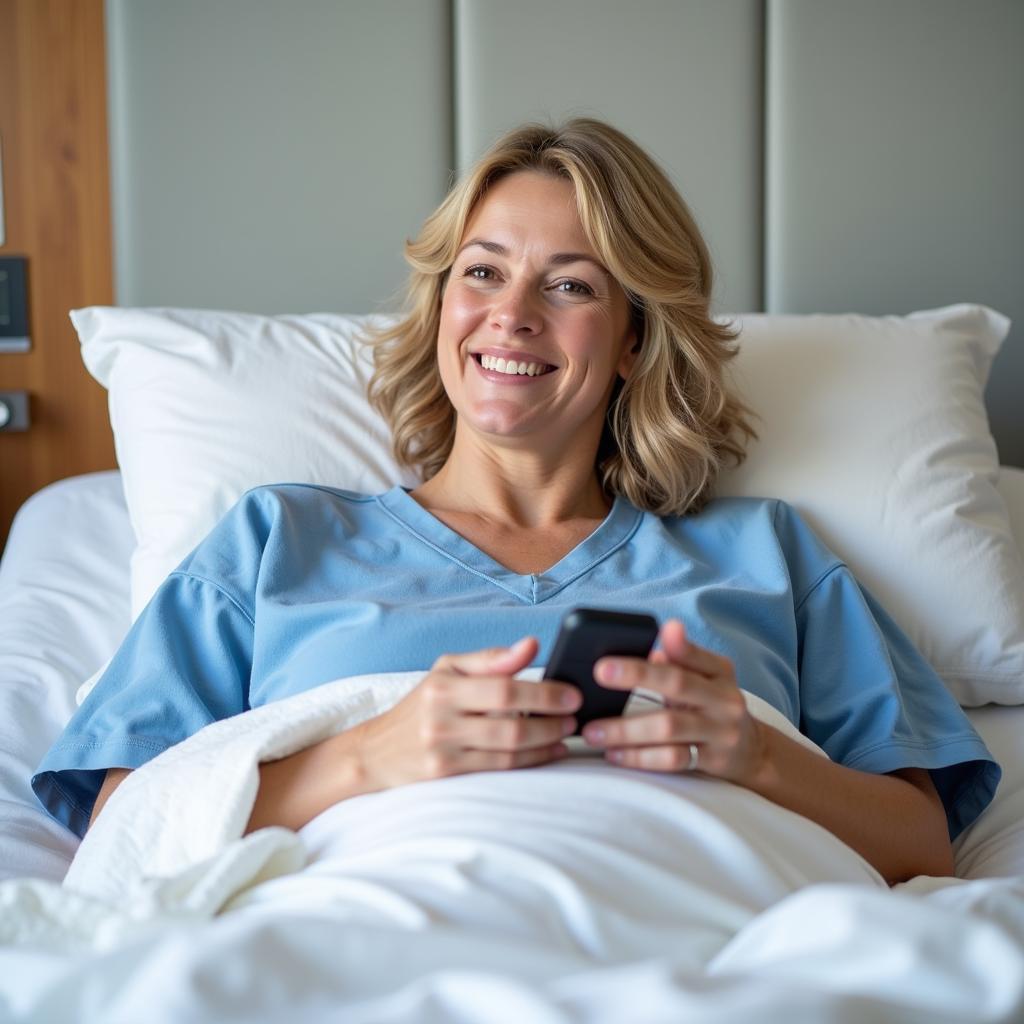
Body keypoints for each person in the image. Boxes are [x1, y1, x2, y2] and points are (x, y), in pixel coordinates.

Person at [33, 119, 998, 886]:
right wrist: (368, 758)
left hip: (697, 942)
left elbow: (919, 844)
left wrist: (755, 759)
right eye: (483, 272)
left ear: (632, 341)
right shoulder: (276, 541)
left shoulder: (763, 555)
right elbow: (127, 828)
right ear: (443, 307)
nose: (513, 313)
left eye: (569, 284)